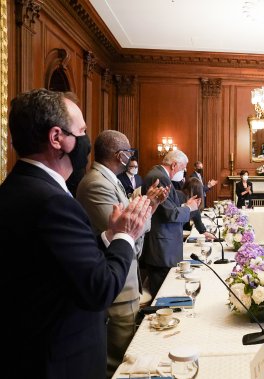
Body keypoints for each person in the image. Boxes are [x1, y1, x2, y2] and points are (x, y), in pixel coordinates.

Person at [0, 88, 152, 379]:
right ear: (57, 138)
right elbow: (99, 288)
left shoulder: (21, 187)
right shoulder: (51, 200)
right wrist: (126, 236)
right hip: (60, 357)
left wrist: (109, 235)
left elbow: (59, 262)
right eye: (81, 131)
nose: (86, 141)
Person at [76, 130, 168, 377]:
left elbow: (133, 224)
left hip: (126, 279)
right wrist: (146, 210)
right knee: (117, 362)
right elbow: (124, 233)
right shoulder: (97, 183)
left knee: (126, 352)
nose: (131, 158)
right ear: (120, 155)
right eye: (129, 153)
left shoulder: (109, 180)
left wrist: (149, 205)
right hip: (115, 284)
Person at [142, 150, 201, 296]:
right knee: (162, 295)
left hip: (164, 245)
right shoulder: (159, 177)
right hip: (161, 247)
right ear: (174, 164)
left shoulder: (159, 175)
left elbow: (168, 208)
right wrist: (189, 208)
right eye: (183, 167)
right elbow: (169, 214)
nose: (185, 171)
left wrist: (184, 206)